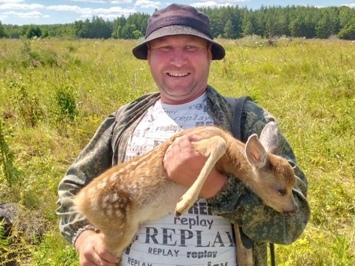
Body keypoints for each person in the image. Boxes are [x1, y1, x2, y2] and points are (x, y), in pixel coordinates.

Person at [56, 3, 310, 266]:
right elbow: (74, 187)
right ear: (149, 56)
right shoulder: (124, 120)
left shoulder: (247, 120)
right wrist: (83, 238)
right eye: (164, 48)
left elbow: (291, 223)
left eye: (191, 47)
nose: (177, 60)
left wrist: (215, 186)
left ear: (209, 54)